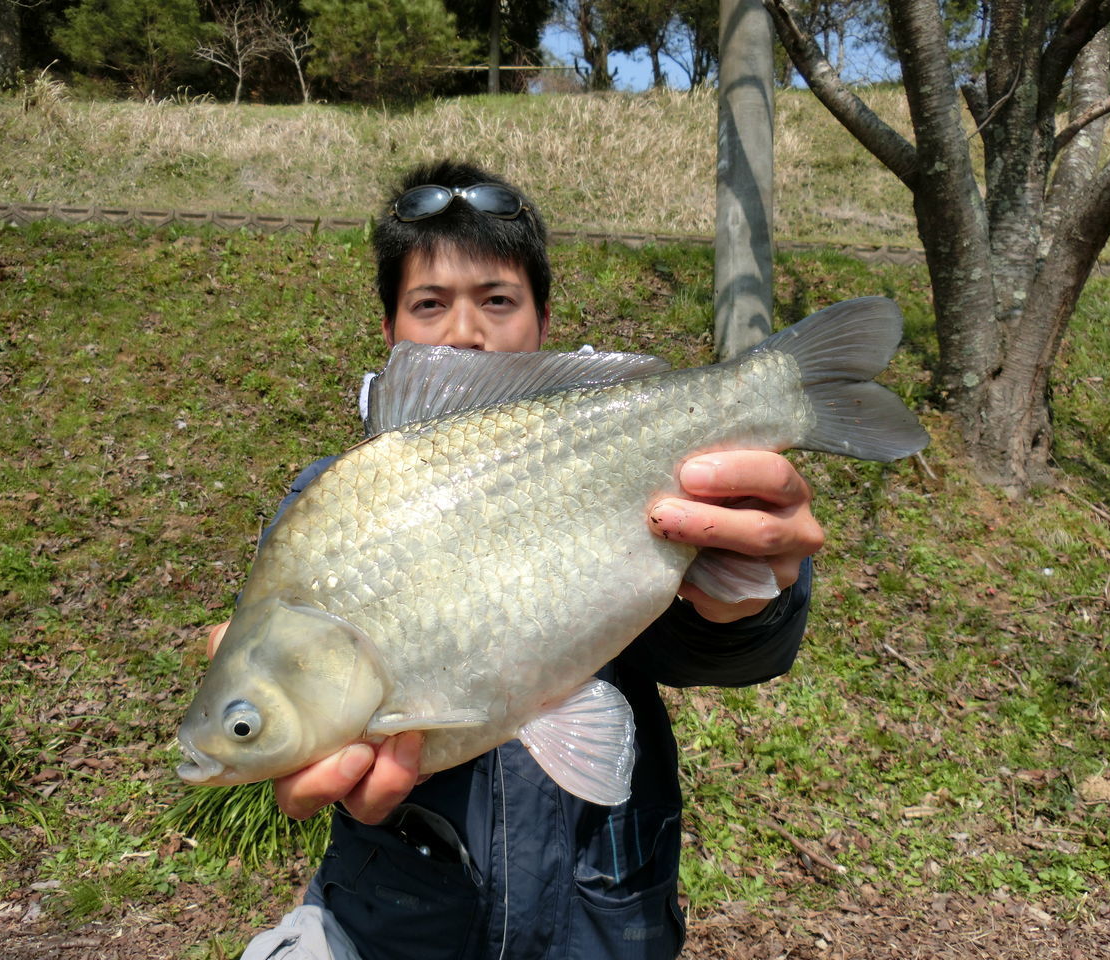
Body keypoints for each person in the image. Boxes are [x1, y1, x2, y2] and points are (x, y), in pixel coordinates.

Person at [207, 159, 825, 960]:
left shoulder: (611, 455)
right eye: (429, 305)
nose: (465, 332)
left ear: (542, 320)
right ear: (392, 332)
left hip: (603, 911)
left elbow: (713, 647)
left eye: (497, 300)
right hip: (399, 918)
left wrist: (752, 596)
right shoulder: (328, 501)